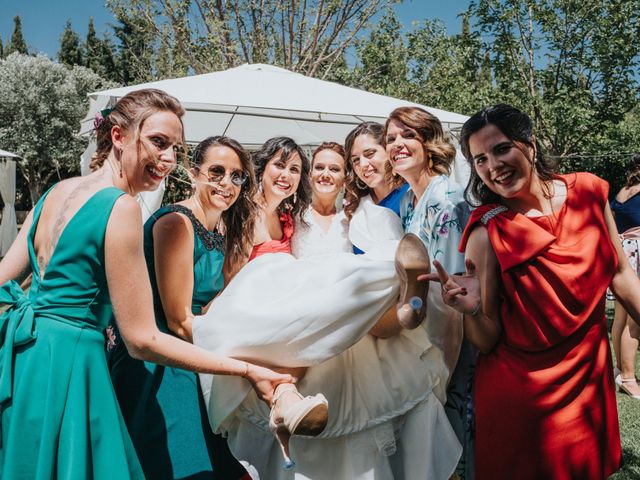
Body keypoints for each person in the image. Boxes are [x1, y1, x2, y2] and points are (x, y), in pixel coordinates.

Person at [0, 88, 293, 479]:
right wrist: (245, 370)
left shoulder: (58, 191)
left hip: (26, 358)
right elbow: (142, 339)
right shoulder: (120, 208)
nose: (168, 159)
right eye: (158, 143)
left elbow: (5, 279)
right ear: (118, 136)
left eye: (175, 148)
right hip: (74, 366)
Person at [193, 138, 462, 478]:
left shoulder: (353, 216)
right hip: (289, 306)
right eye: (317, 167)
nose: (324, 174)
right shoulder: (287, 215)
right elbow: (237, 272)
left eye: (334, 168)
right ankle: (397, 294)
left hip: (330, 310)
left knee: (360, 297)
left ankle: (406, 302)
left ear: (344, 177)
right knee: (330, 286)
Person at [427, 104, 640, 479]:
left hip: (588, 383)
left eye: (501, 148)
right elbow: (487, 340)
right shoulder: (486, 232)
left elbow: (621, 275)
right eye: (479, 160)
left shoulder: (589, 191)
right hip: (522, 399)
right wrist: (470, 310)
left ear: (530, 145)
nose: (492, 165)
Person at [108, 135, 260, 478]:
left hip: (192, 351)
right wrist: (239, 360)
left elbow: (213, 305)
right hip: (160, 360)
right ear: (194, 173)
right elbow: (178, 320)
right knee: (182, 463)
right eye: (217, 172)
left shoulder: (220, 229)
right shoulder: (176, 223)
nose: (227, 183)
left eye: (237, 176)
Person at [384, 106, 473, 479]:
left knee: (453, 434)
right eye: (390, 138)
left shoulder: (448, 200)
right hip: (420, 335)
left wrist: (444, 370)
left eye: (408, 135)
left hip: (453, 338)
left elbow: (453, 288)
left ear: (429, 142)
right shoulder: (407, 202)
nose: (397, 144)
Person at [343, 121, 409, 255]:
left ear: (388, 150)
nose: (362, 165)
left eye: (370, 154)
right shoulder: (358, 206)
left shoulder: (411, 196)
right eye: (355, 160)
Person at [611, 154, 640, 399]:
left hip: (625, 254)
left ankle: (620, 369)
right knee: (635, 319)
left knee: (621, 316)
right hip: (637, 254)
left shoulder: (622, 192)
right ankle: (629, 378)